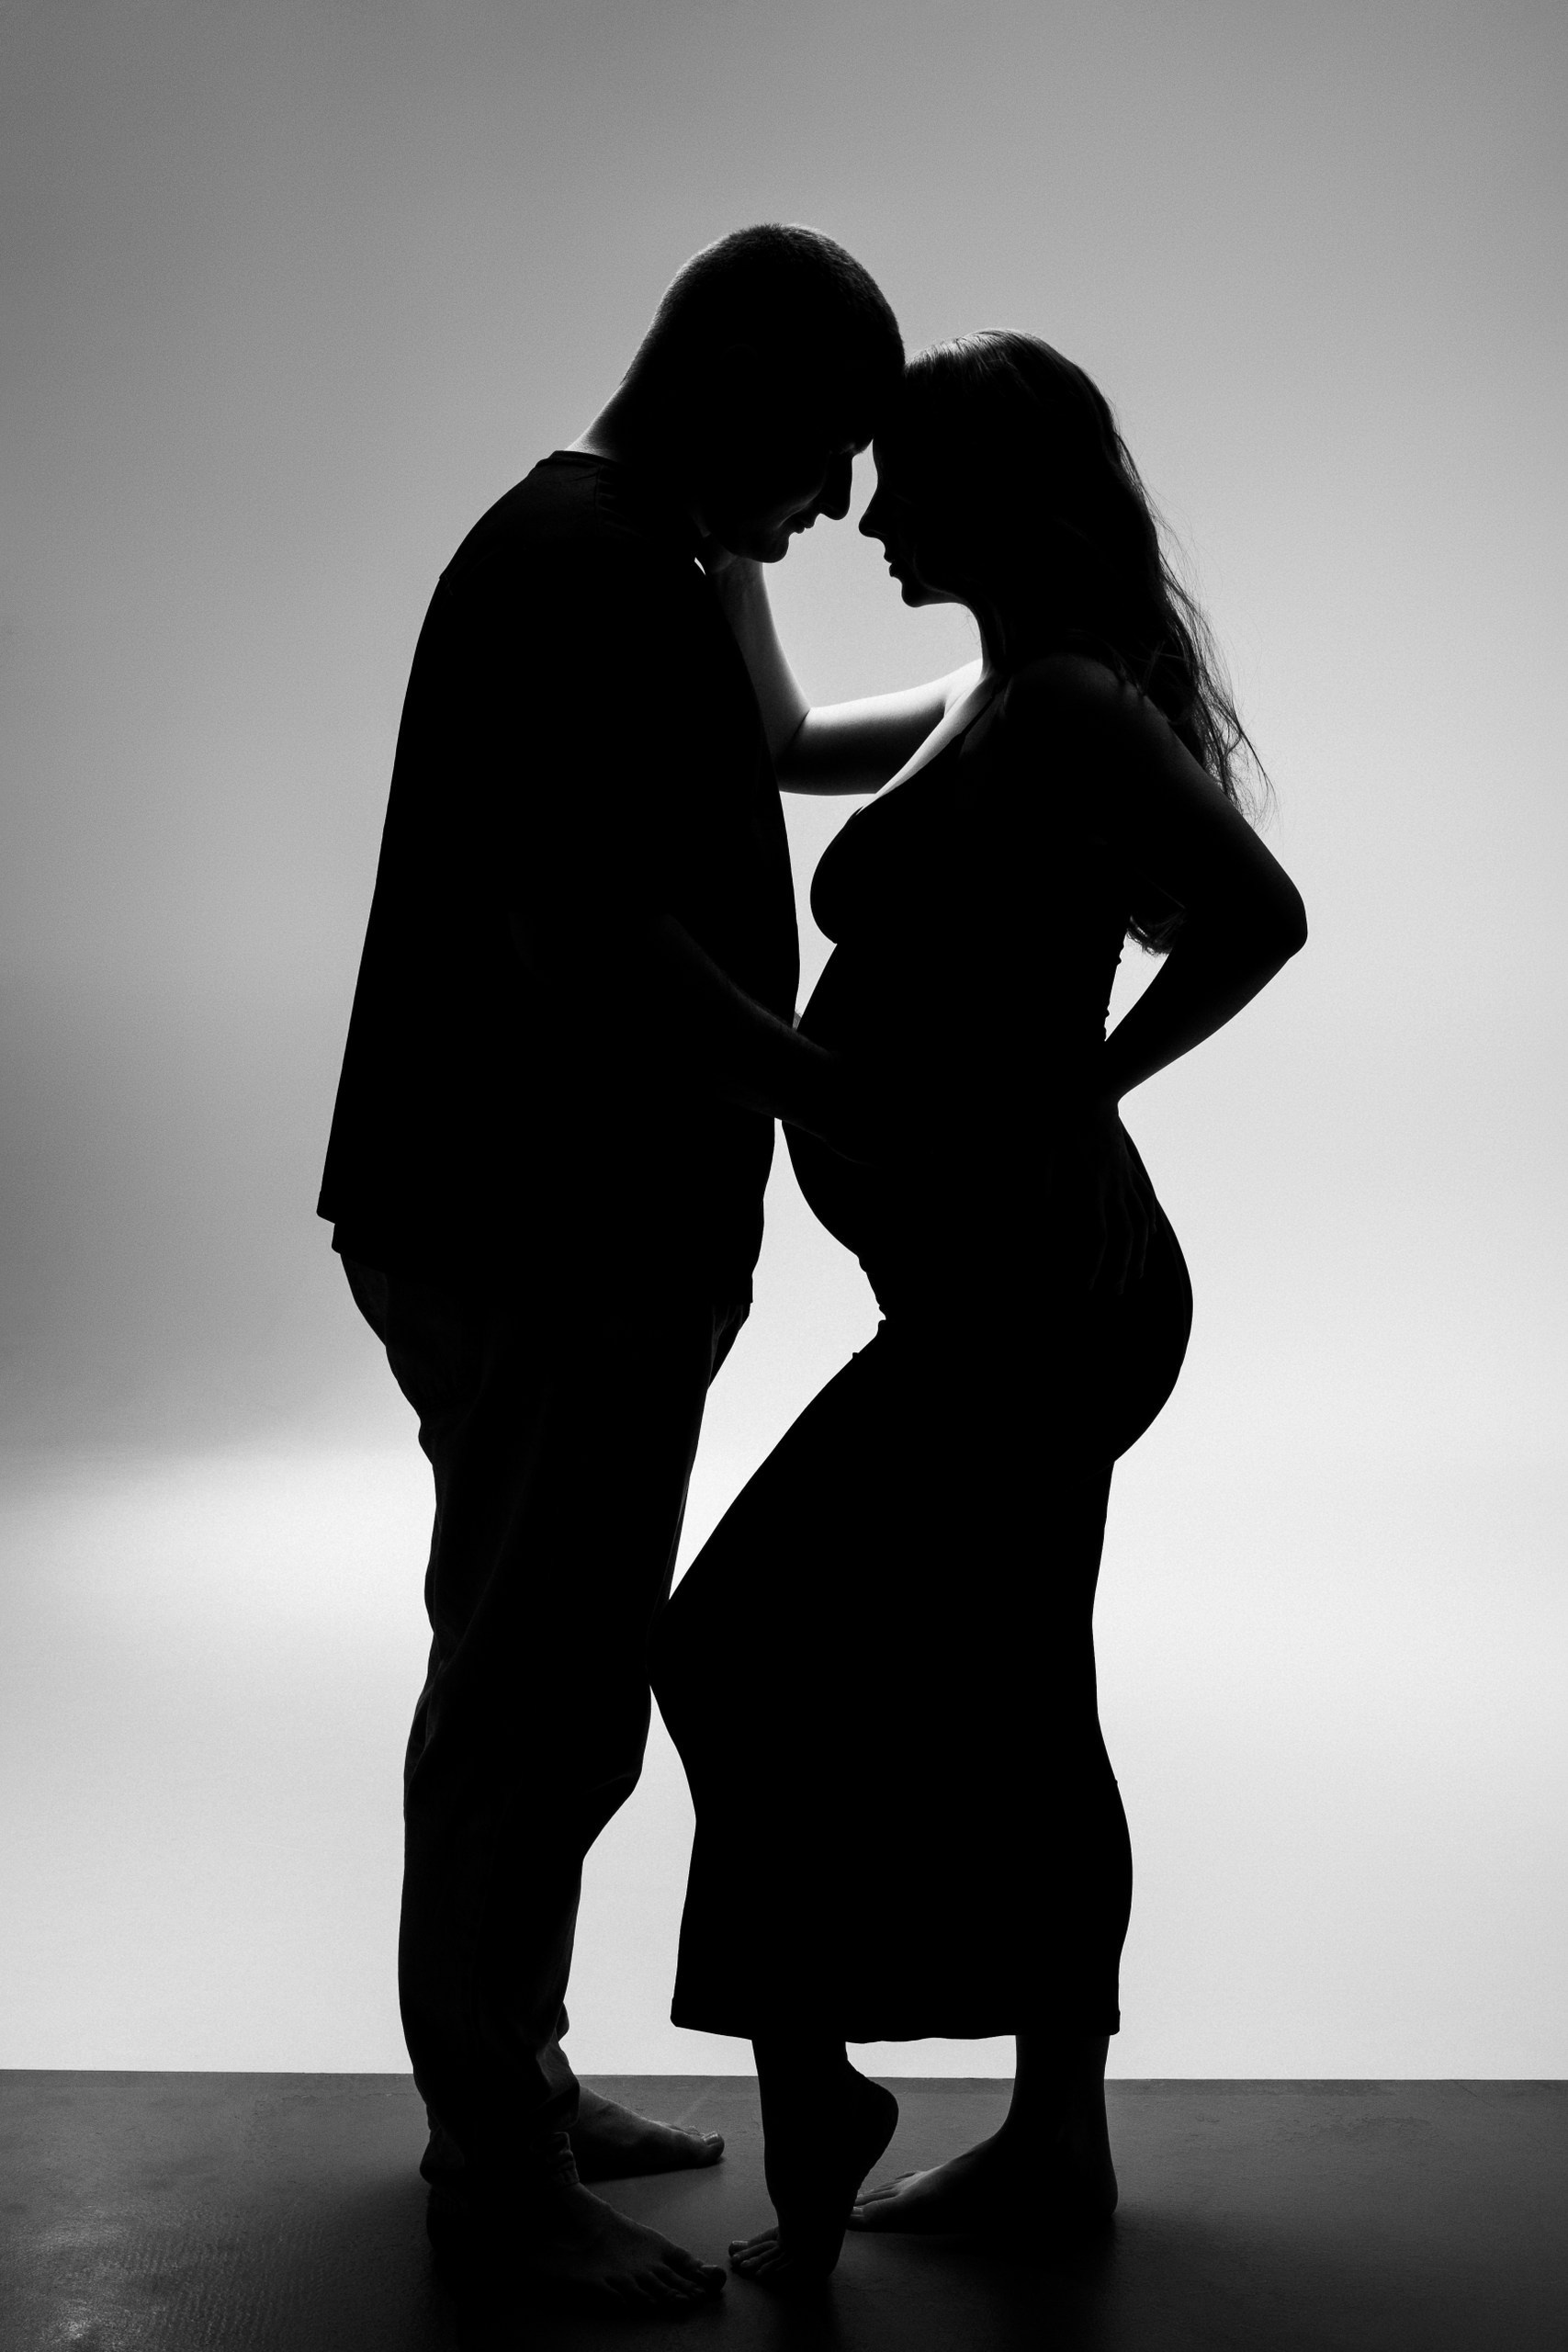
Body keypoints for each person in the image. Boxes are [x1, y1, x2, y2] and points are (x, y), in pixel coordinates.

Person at [651, 331, 1308, 2287]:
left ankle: (836, 2101)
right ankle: (1048, 2143)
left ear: (996, 498)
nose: (870, 514)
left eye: (903, 479)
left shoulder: (1074, 706)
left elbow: (1257, 916)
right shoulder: (985, 695)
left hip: (1036, 1291)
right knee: (1018, 1694)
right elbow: (781, 739)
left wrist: (1077, 1088)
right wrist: (725, 537)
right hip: (986, 1287)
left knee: (731, 1642)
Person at [316, 224, 903, 2312]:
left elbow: (737, 785)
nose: (835, 505)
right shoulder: (583, 567)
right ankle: (496, 2156)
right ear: (735, 381)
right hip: (537, 1225)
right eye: (825, 449)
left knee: (546, 1674)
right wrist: (830, 1083)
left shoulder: (634, 556)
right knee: (532, 1691)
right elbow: (583, 930)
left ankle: (520, 2085)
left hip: (549, 1221)